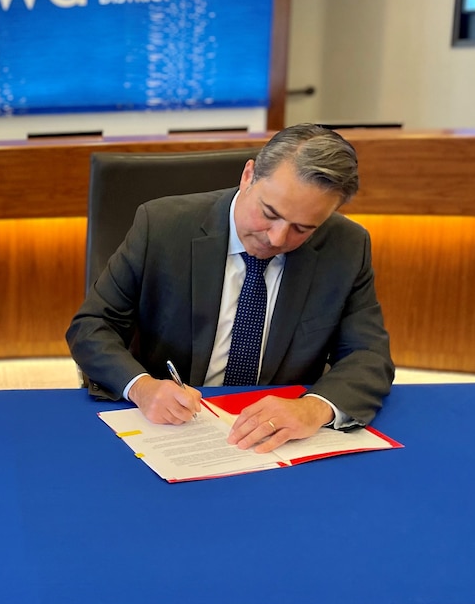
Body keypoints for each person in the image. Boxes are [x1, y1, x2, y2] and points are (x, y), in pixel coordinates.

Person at [66, 124, 394, 454]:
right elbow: (93, 326)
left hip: (276, 439)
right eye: (269, 214)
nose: (277, 239)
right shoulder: (162, 226)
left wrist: (314, 408)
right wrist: (142, 387)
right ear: (249, 176)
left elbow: (368, 356)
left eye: (302, 228)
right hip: (174, 429)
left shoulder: (347, 246)